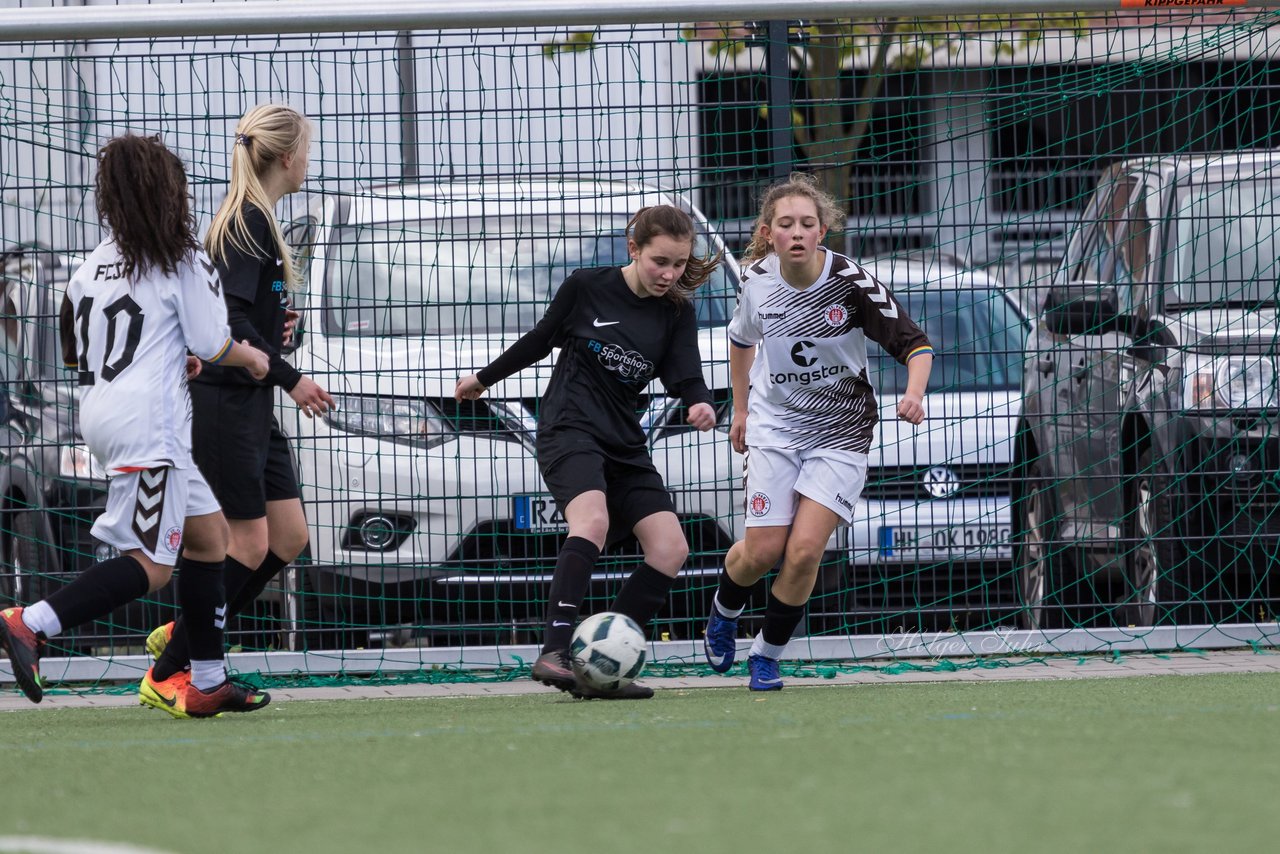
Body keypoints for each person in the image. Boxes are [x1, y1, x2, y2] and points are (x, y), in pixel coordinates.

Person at [0, 134, 272, 717]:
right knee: (151, 566)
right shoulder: (184, 258)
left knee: (209, 540)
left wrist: (174, 355)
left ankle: (207, 679)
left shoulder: (90, 265)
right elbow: (211, 341)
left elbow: (80, 354)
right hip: (151, 425)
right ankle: (32, 622)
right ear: (167, 192)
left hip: (103, 410)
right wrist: (250, 358)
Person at [455, 205, 720, 700]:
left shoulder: (676, 310)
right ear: (633, 249)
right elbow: (539, 340)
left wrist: (700, 401)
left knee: (670, 548)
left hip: (624, 441)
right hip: (568, 428)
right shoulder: (587, 287)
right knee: (592, 522)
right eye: (660, 261)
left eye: (680, 264)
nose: (670, 274)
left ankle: (601, 667)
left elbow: (686, 372)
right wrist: (482, 379)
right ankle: (554, 652)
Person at [702, 173, 934, 690]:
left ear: (823, 231)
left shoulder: (851, 283)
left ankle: (767, 654)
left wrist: (914, 393)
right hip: (775, 429)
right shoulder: (756, 280)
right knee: (761, 551)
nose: (798, 232)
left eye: (808, 223)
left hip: (841, 433)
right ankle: (724, 608)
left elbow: (917, 345)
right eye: (786, 224)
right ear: (769, 233)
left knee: (805, 550)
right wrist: (740, 411)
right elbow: (741, 343)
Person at [146, 104, 334, 685]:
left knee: (290, 537)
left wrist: (283, 325)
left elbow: (251, 310)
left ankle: (187, 631)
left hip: (253, 404)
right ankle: (174, 668)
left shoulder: (265, 219)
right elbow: (225, 324)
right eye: (306, 148)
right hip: (227, 405)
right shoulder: (244, 222)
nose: (309, 159)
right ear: (285, 156)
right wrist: (290, 376)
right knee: (248, 544)